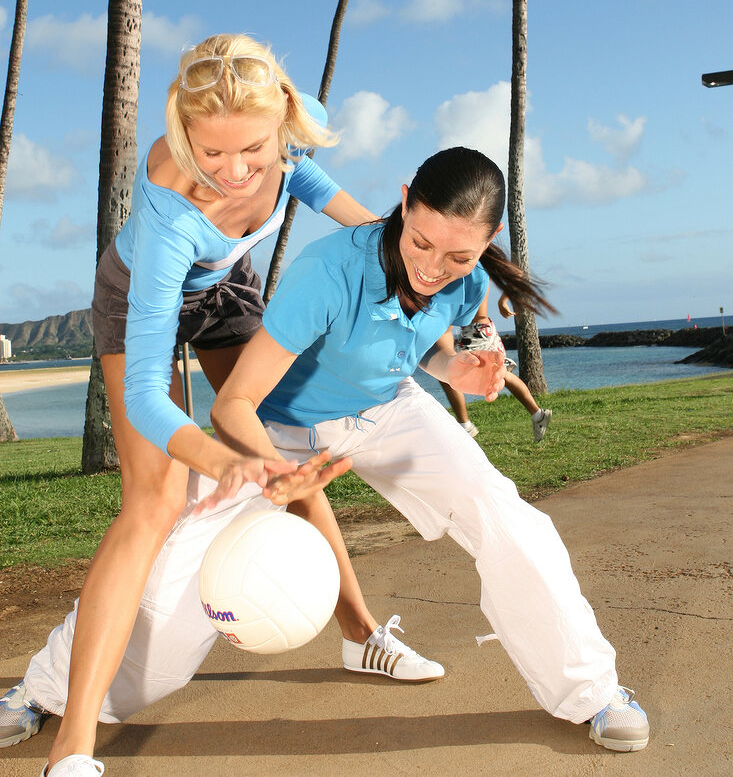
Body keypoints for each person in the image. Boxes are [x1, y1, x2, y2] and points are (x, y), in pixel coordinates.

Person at [6, 148, 648, 765]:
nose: (431, 265)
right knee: (169, 592)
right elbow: (235, 403)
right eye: (420, 242)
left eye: (457, 254)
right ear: (403, 202)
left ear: (489, 238)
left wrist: (461, 370)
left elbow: (424, 349)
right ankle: (46, 689)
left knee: (508, 518)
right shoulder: (329, 269)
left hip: (388, 412)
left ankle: (591, 692)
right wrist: (275, 471)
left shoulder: (466, 276)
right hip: (279, 430)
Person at [0, 35, 441, 777]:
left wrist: (411, 252)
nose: (236, 174)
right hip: (141, 295)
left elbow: (337, 207)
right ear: (184, 134)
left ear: (285, 125)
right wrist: (220, 458)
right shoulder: (173, 213)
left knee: (288, 450)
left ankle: (361, 634)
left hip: (223, 291)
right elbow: (142, 395)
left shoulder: (285, 128)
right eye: (213, 156)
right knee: (154, 499)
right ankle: (72, 742)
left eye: (254, 154)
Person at [441, 287, 553, 442]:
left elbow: (516, 274)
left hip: (476, 331)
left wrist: (503, 300)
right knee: (502, 374)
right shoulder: (477, 265)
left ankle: (465, 425)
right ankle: (538, 415)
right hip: (482, 329)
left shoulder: (475, 264)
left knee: (448, 371)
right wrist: (503, 300)